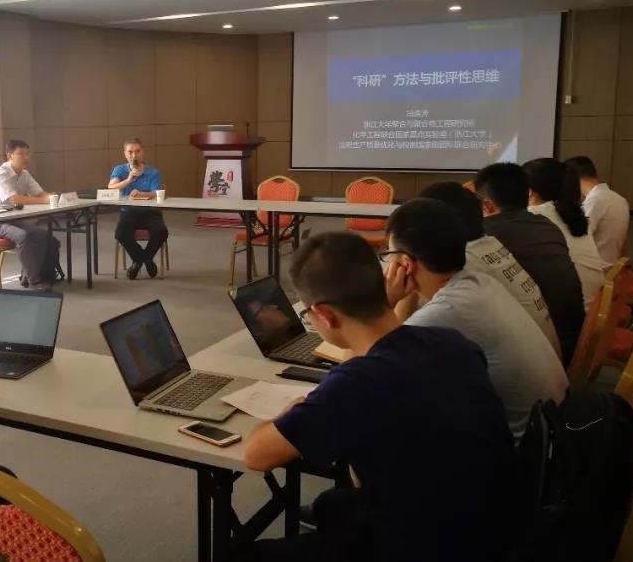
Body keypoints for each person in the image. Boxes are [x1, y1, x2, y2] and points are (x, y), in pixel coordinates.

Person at [239, 232, 517, 562]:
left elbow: (256, 455)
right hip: (494, 527)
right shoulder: (452, 343)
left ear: (324, 315)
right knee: (334, 504)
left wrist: (287, 413)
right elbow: (370, 360)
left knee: (249, 556)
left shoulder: (356, 385)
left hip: (425, 545)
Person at [385, 198, 567, 438]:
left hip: (530, 452)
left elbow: (367, 371)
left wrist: (387, 300)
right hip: (557, 424)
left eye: (388, 255)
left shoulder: (446, 310)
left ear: (405, 264)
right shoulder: (481, 281)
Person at [419, 181, 561, 358]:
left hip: (519, 367)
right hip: (547, 359)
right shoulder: (490, 244)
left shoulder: (464, 263)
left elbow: (402, 335)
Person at [475, 162, 585, 366]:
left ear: (487, 205)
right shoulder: (547, 225)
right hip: (572, 340)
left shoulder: (485, 235)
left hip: (544, 353)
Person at [523, 158, 605, 310]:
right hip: (593, 307)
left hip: (570, 315)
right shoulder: (573, 213)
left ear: (529, 191)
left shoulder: (533, 215)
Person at [0, 139, 60, 291]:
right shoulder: (1, 174)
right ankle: (34, 282)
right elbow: (13, 199)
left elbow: (40, 193)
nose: (26, 158)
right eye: (21, 154)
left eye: (27, 153)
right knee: (23, 236)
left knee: (43, 235)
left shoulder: (24, 174)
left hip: (11, 220)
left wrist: (53, 197)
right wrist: (44, 200)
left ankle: (32, 276)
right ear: (9, 155)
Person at [109, 138, 167, 279]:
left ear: (143, 152)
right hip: (129, 212)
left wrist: (142, 194)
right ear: (125, 153)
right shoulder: (119, 169)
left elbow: (156, 193)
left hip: (150, 212)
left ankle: (141, 261)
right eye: (130, 152)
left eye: (137, 151)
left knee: (161, 232)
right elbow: (111, 187)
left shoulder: (153, 172)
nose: (134, 155)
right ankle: (143, 259)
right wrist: (128, 180)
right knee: (120, 234)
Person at [565, 155, 630, 267]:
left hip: (596, 269)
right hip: (613, 267)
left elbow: (577, 241)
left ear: (573, 179)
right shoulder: (620, 199)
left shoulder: (594, 201)